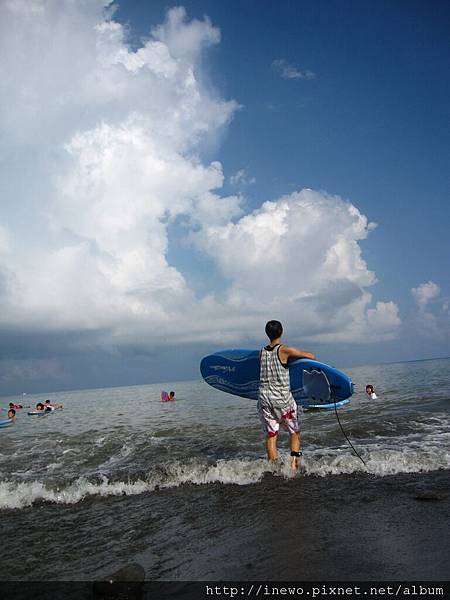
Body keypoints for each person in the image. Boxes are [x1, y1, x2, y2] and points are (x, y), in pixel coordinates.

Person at [258, 320, 316, 470]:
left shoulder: (261, 352)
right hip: (282, 399)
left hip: (264, 398)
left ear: (267, 334)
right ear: (281, 332)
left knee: (271, 434)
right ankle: (293, 465)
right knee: (294, 432)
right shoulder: (284, 350)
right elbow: (310, 356)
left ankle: (274, 468)